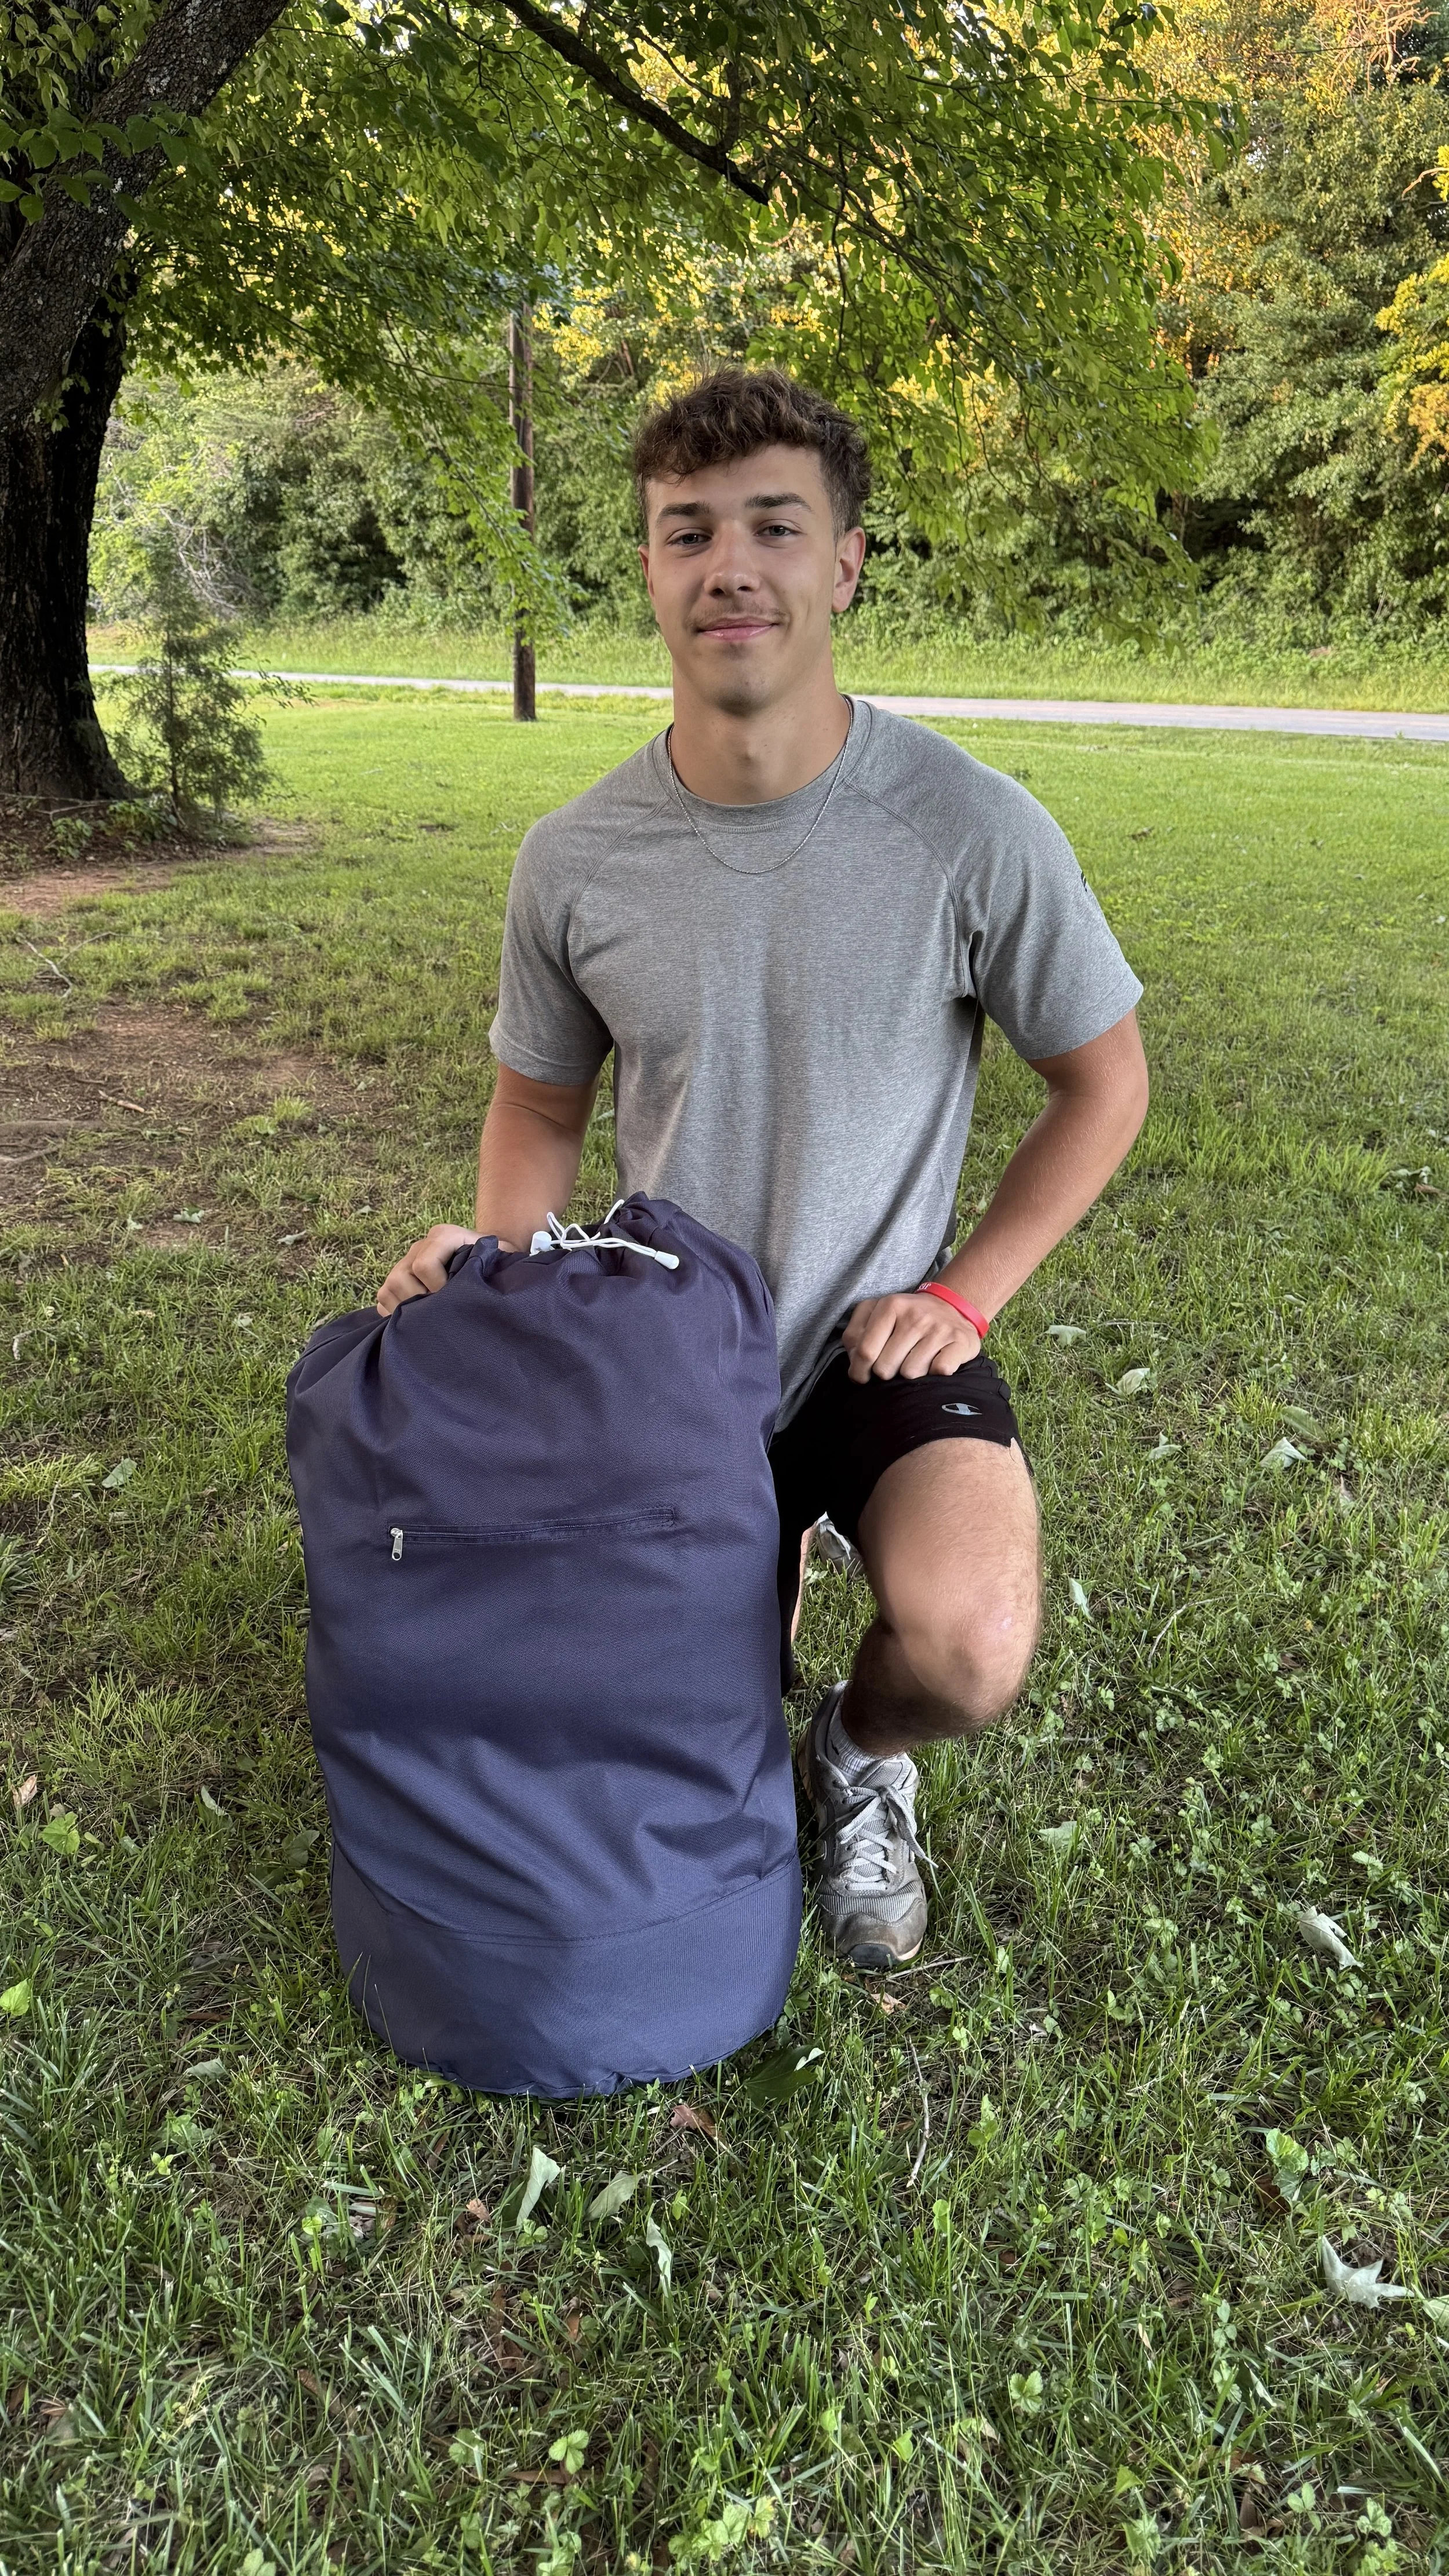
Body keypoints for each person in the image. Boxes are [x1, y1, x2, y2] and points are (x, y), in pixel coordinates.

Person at [377, 368, 1149, 1973]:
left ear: (846, 562)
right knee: (641, 1713)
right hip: (662, 1361)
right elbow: (536, 1115)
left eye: (772, 526)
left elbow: (1102, 1082)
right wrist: (502, 1282)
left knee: (969, 1643)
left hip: (873, 1339)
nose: (729, 563)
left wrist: (963, 1290)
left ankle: (859, 1757)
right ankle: (746, 1613)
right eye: (687, 531)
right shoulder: (573, 862)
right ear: (649, 569)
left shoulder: (967, 828)